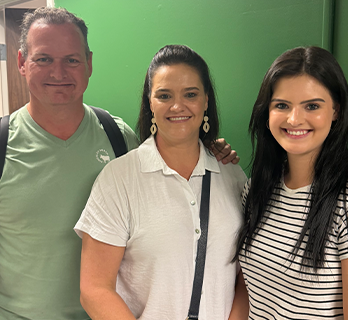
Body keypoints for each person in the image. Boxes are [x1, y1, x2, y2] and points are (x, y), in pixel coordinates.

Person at [0, 7, 238, 320]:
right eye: (44, 58)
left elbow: (166, 159)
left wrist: (212, 151)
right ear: (22, 62)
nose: (58, 72)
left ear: (88, 63)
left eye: (72, 60)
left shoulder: (119, 138)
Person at [74, 45, 247, 319]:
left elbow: (245, 275)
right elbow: (94, 289)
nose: (178, 106)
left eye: (190, 94)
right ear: (150, 103)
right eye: (164, 95)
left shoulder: (232, 175)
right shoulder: (119, 179)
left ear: (206, 101)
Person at [236, 46, 348, 319]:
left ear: (335, 111)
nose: (295, 119)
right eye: (282, 105)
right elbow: (248, 291)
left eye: (312, 106)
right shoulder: (258, 188)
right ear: (267, 113)